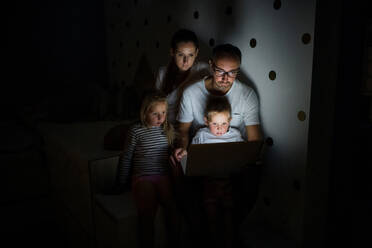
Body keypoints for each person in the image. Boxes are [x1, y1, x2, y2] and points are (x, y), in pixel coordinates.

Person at [173, 43, 263, 247]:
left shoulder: (247, 94)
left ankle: (229, 234)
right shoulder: (191, 93)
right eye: (221, 71)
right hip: (203, 159)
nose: (225, 78)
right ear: (211, 66)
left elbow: (254, 140)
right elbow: (184, 132)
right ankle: (203, 234)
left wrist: (251, 160)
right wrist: (183, 149)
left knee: (252, 176)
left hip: (232, 164)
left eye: (232, 73)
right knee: (182, 173)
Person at [113, 90, 179, 248]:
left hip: (163, 175)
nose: (160, 117)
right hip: (143, 176)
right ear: (144, 113)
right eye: (155, 113)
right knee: (147, 212)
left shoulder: (168, 130)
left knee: (172, 207)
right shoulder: (136, 131)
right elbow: (127, 157)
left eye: (163, 112)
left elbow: (174, 150)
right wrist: (122, 182)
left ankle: (174, 242)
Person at [188, 96, 243, 248]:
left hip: (228, 182)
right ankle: (213, 242)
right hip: (208, 182)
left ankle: (228, 243)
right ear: (206, 121)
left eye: (224, 123)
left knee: (228, 216)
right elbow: (192, 156)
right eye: (215, 124)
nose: (219, 128)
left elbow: (244, 156)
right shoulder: (202, 135)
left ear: (230, 121)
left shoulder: (235, 135)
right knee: (210, 215)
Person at [154, 28, 210, 125]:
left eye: (190, 55)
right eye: (181, 55)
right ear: (172, 52)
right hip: (166, 125)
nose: (186, 61)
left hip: (192, 124)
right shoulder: (163, 72)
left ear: (196, 53)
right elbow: (156, 104)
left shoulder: (202, 70)